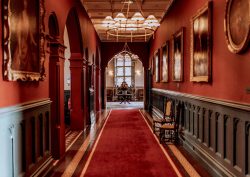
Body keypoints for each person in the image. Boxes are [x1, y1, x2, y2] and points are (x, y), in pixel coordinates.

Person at [11, 0, 38, 72]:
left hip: (26, 44)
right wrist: (19, 47)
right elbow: (18, 33)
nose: (25, 4)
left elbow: (30, 33)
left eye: (26, 3)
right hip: (21, 42)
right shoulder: (21, 16)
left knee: (29, 65)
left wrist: (34, 42)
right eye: (24, 3)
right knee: (18, 61)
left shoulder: (28, 17)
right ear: (22, 4)